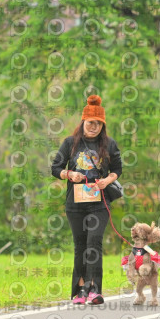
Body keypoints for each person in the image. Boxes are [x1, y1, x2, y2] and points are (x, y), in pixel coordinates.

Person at [51, 95, 122, 305]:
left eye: (99, 124)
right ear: (83, 121)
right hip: (75, 203)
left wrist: (107, 180)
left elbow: (117, 169)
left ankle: (94, 288)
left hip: (99, 203)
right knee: (80, 245)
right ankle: (80, 288)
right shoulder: (70, 143)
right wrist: (69, 174)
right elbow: (55, 168)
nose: (94, 127)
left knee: (94, 243)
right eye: (91, 122)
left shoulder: (109, 144)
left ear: (103, 125)